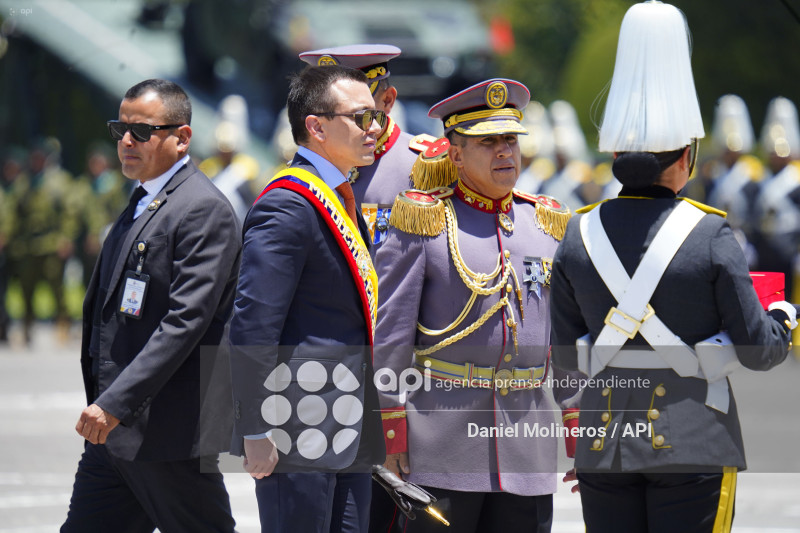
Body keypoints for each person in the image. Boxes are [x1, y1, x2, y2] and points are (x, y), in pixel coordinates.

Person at [549, 3, 796, 532]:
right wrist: (785, 317)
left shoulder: (576, 233)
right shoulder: (710, 234)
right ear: (685, 155)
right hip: (693, 438)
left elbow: (565, 360)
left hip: (604, 438)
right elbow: (756, 350)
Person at [373, 78, 580, 533]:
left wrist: (578, 426)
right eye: (488, 142)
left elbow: (563, 339)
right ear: (455, 153)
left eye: (510, 139)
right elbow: (391, 337)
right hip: (441, 445)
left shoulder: (545, 223)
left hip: (527, 448)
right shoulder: (424, 220)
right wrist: (390, 431)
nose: (505, 151)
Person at [61, 79, 240, 532]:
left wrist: (116, 403)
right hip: (115, 434)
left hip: (165, 433)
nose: (126, 141)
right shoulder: (145, 199)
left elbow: (186, 320)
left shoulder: (201, 209)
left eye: (141, 132)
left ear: (181, 138)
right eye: (120, 128)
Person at [228, 65, 385, 533]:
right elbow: (253, 324)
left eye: (375, 115)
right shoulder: (288, 204)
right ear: (315, 127)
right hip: (297, 422)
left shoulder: (340, 197)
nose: (374, 128)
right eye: (360, 117)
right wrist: (254, 427)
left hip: (348, 419)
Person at [299, 44, 439, 246]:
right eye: (325, 107)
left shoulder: (424, 167)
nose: (332, 118)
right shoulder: (311, 168)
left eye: (358, 111)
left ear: (388, 100)